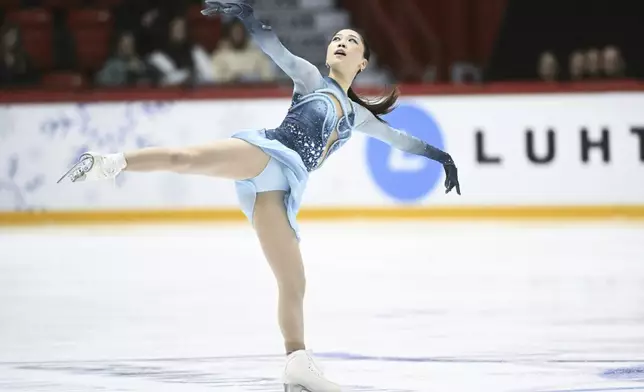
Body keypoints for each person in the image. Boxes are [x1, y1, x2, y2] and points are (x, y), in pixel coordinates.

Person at [59, 1, 461, 390]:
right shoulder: (309, 79)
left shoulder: (357, 117)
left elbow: (399, 139)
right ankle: (108, 162)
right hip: (264, 154)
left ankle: (297, 365)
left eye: (350, 40)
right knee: (186, 157)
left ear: (362, 63)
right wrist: (250, 17)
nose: (340, 41)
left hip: (282, 187)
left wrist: (441, 157)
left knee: (294, 280)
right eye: (336, 37)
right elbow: (275, 49)